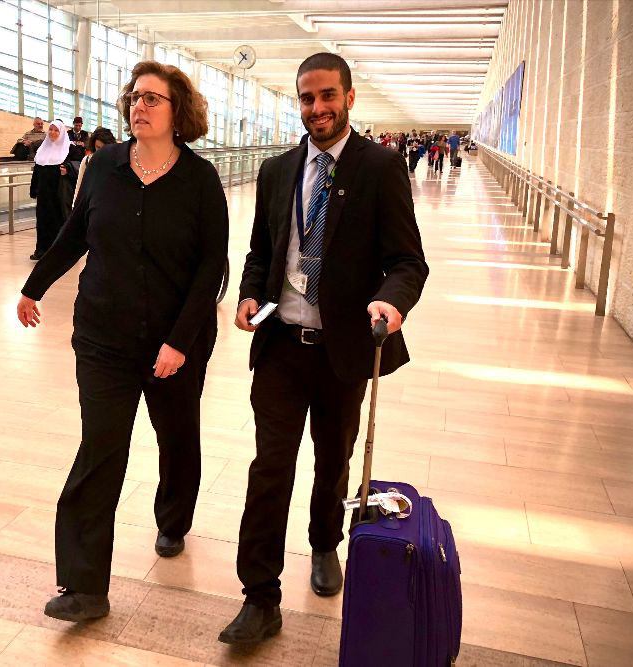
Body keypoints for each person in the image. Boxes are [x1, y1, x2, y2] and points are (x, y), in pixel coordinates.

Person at [219, 52, 428, 645]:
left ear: (349, 97)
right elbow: (263, 250)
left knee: (332, 458)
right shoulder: (278, 170)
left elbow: (407, 260)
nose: (317, 109)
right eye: (307, 98)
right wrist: (248, 295)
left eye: (327, 96)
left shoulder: (380, 168)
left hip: (343, 350)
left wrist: (392, 300)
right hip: (282, 344)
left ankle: (323, 543)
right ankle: (259, 596)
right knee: (269, 467)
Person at [16, 60, 228, 623]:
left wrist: (180, 342)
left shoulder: (200, 180)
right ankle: (85, 588)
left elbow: (213, 268)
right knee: (100, 450)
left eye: (154, 99)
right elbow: (75, 233)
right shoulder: (105, 164)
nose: (140, 105)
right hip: (104, 338)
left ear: (179, 111)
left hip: (175, 345)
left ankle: (173, 517)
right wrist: (33, 287)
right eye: (136, 96)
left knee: (177, 440)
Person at [29, 120, 75, 260]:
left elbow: (78, 166)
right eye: (51, 130)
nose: (52, 133)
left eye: (56, 131)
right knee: (42, 221)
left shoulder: (69, 149)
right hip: (44, 193)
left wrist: (67, 169)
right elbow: (37, 171)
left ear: (61, 133)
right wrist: (33, 189)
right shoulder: (42, 149)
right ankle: (41, 250)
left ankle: (58, 252)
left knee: (58, 220)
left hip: (59, 193)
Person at [73, 127, 116, 207]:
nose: (101, 151)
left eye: (104, 148)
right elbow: (79, 185)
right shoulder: (87, 160)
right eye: (98, 147)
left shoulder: (115, 161)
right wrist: (74, 206)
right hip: (91, 204)